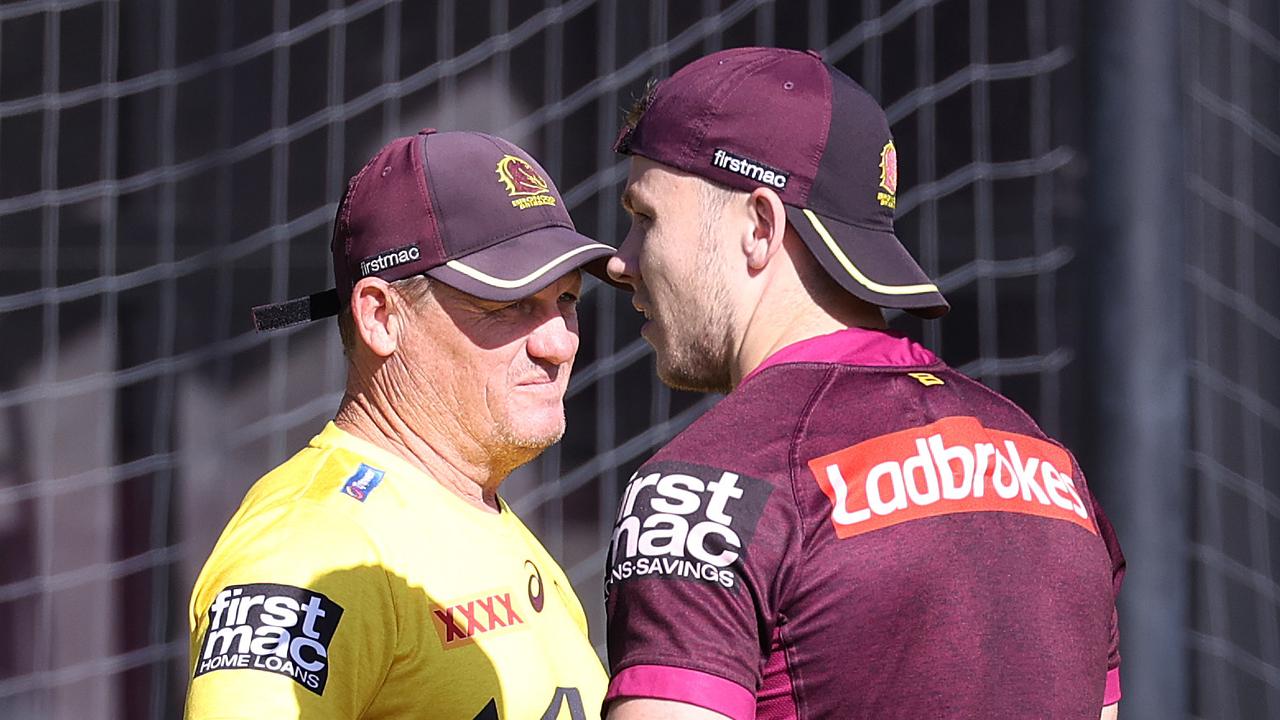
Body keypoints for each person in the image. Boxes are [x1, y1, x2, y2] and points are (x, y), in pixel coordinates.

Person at [600, 47, 1125, 720]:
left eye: (645, 218)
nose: (621, 261)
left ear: (759, 227)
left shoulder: (703, 491)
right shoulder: (1051, 470)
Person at [184, 129, 615, 719]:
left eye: (566, 300)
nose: (559, 343)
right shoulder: (310, 548)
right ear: (382, 317)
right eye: (510, 305)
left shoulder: (479, 517)